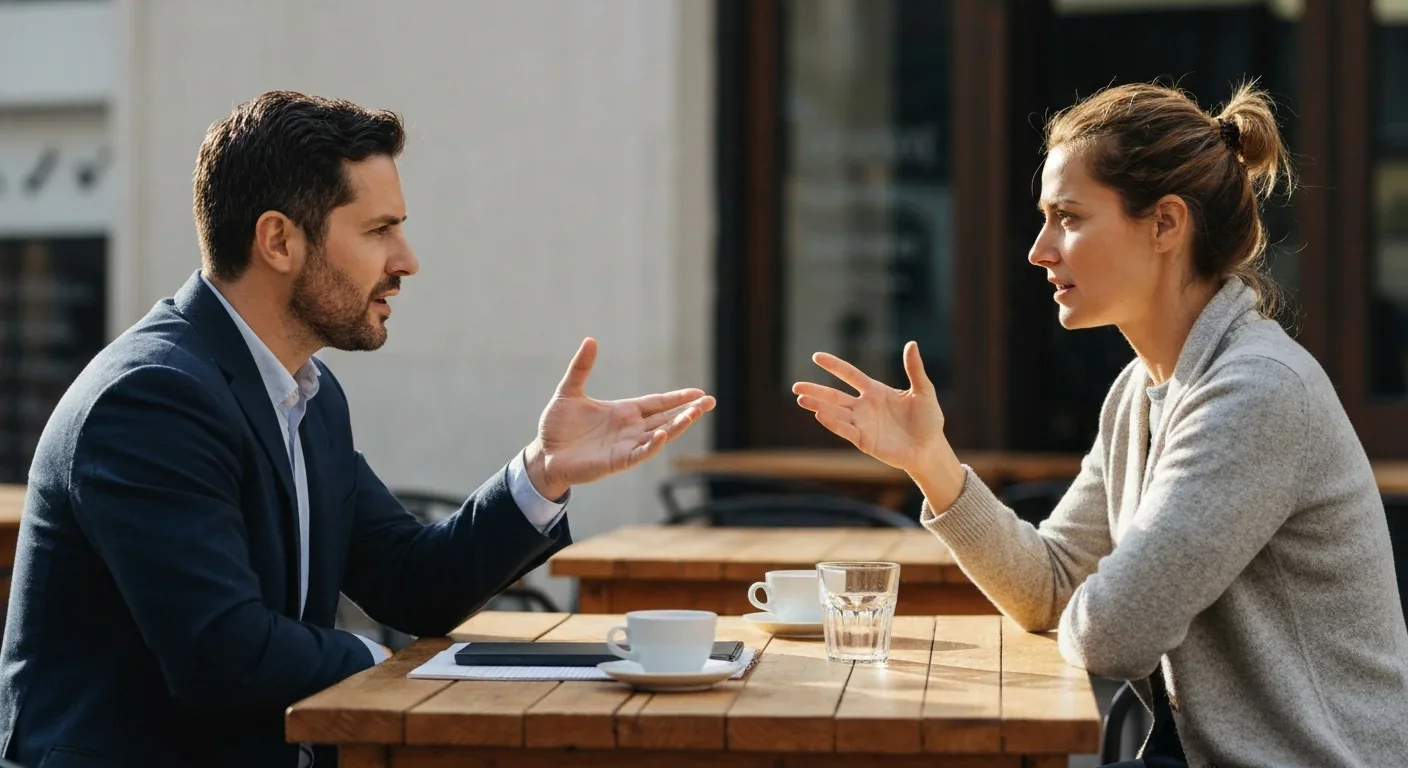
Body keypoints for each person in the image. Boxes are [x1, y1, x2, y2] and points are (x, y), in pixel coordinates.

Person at [0, 91, 713, 768]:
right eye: (379, 230)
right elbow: (222, 656)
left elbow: (413, 583)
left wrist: (544, 470)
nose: (407, 261)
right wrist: (382, 663)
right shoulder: (154, 398)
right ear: (279, 240)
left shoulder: (306, 392)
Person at [795, 81, 1408, 767]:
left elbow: (1112, 635)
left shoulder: (1256, 392)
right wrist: (929, 459)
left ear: (1166, 225)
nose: (1040, 249)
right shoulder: (1140, 391)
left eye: (1069, 218)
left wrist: (1099, 607)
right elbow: (1052, 589)